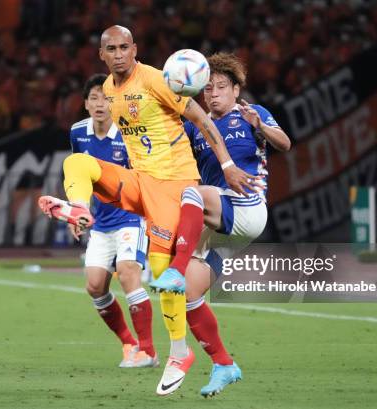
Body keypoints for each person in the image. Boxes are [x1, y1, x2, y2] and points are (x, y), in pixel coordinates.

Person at [38, 26, 258, 396]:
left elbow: (202, 121)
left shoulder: (159, 80)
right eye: (112, 48)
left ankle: (181, 353)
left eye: (125, 47)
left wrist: (226, 165)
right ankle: (78, 207)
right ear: (102, 55)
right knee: (78, 163)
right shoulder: (109, 90)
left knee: (164, 274)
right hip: (142, 181)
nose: (120, 53)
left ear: (135, 49)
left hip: (175, 187)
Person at [150, 52, 291, 396]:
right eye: (208, 89)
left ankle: (175, 266)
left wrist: (262, 126)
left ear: (236, 89)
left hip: (247, 208)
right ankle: (224, 364)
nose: (213, 94)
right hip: (221, 226)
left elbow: (285, 144)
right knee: (189, 296)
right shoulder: (195, 127)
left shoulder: (250, 115)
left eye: (221, 87)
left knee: (192, 194)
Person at [67, 73, 156, 368]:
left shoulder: (129, 134)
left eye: (105, 97)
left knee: (128, 272)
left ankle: (148, 351)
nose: (100, 103)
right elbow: (81, 176)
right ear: (86, 104)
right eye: (94, 98)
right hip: (102, 224)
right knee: (94, 286)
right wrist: (76, 212)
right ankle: (129, 344)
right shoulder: (78, 133)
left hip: (132, 218)